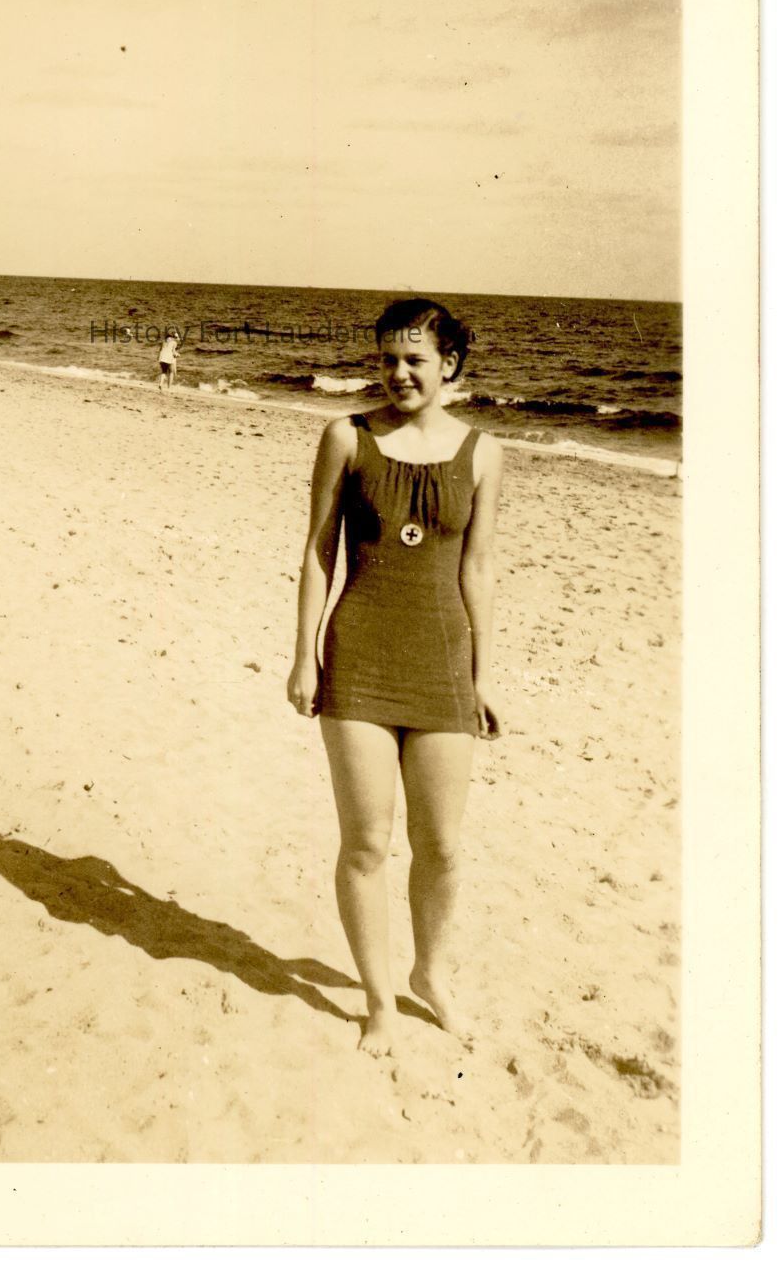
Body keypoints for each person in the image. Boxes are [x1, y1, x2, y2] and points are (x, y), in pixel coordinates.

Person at [287, 297, 504, 1057]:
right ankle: (380, 1001)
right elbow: (318, 553)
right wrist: (304, 653)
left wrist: (482, 674)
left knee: (441, 844)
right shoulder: (346, 437)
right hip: (360, 659)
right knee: (367, 843)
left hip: (442, 661)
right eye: (388, 358)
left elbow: (477, 569)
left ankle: (430, 974)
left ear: (450, 364)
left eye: (415, 358)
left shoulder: (484, 452)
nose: (399, 372)